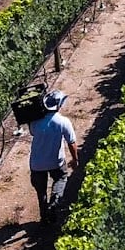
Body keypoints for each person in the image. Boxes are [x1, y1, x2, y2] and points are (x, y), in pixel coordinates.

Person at [29, 90, 79, 225]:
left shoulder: (35, 122)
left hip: (36, 163)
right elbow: (71, 143)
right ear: (59, 105)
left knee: (41, 191)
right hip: (56, 161)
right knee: (61, 178)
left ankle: (44, 217)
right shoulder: (63, 122)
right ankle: (54, 203)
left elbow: (32, 132)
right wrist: (75, 159)